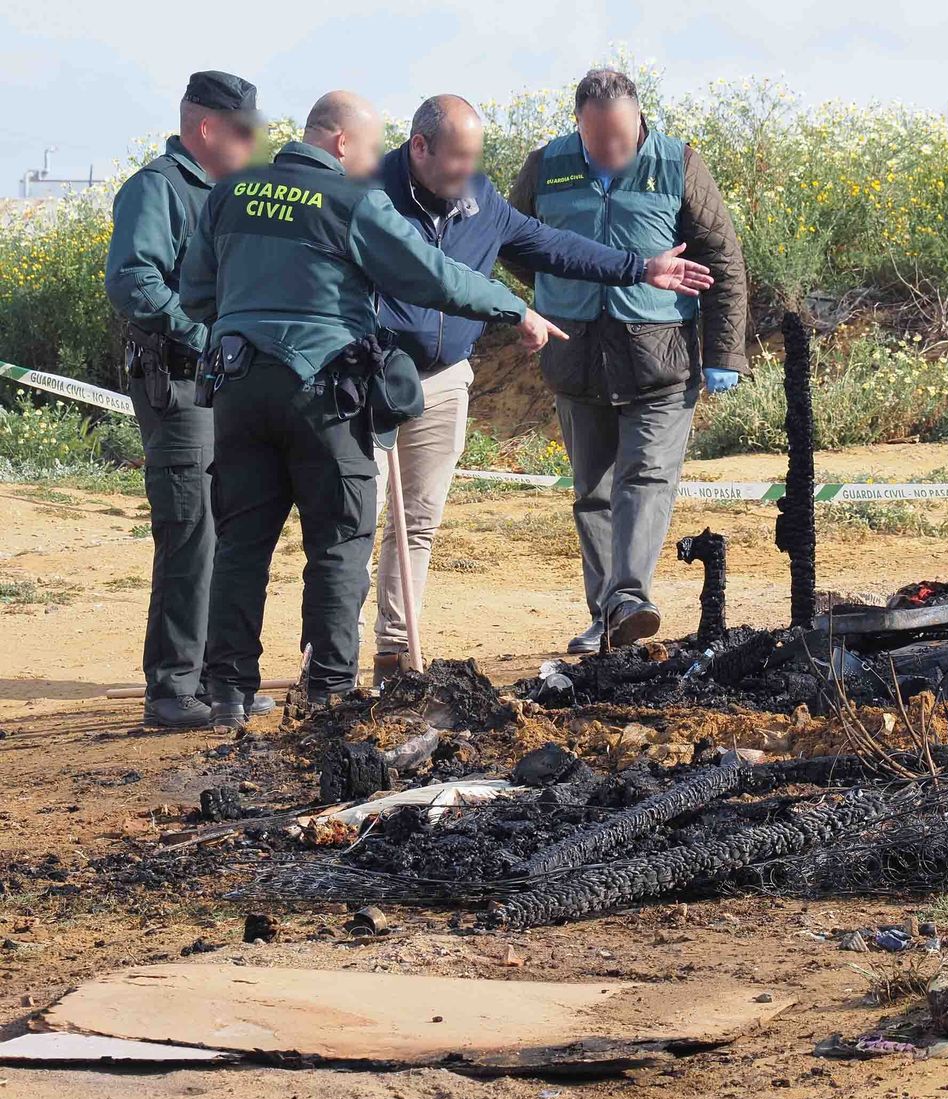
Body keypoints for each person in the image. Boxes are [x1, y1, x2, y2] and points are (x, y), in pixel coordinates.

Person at [179, 90, 564, 727]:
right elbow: (432, 277)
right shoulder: (354, 200)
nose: (373, 161)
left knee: (242, 544)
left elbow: (196, 293)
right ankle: (330, 692)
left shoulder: (231, 194)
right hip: (323, 395)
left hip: (240, 390)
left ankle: (228, 691)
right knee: (338, 542)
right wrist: (512, 307)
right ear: (339, 143)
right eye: (368, 147)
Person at [370, 95, 713, 686]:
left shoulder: (478, 197)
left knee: (417, 522)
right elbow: (426, 272)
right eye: (456, 159)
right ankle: (323, 662)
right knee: (355, 518)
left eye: (474, 158)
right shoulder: (370, 194)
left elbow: (552, 246)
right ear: (418, 147)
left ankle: (396, 655)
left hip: (445, 380)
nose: (467, 173)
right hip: (369, 376)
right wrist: (513, 310)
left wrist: (639, 267)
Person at [509, 67, 749, 655]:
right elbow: (513, 242)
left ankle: (630, 598)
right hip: (576, 354)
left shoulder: (679, 164)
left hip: (660, 354)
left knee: (645, 477)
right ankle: (608, 616)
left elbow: (723, 259)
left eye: (620, 139)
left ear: (639, 119)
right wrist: (555, 292)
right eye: (598, 142)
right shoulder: (545, 164)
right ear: (578, 127)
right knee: (592, 489)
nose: (611, 152)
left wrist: (723, 352)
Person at [104, 70, 269, 728]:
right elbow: (134, 279)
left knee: (227, 532)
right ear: (206, 128)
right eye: (243, 131)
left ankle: (216, 681)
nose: (254, 144)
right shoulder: (157, 188)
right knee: (190, 533)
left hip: (227, 387)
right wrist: (203, 336)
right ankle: (174, 690)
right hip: (179, 382)